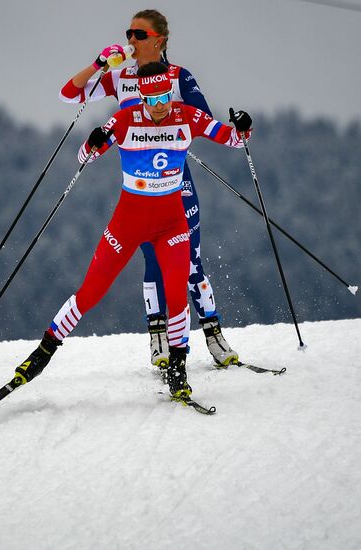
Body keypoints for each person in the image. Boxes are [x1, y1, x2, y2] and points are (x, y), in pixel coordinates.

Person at [13, 62, 252, 401]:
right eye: (152, 98)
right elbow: (85, 157)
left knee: (176, 294)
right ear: (141, 96)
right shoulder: (125, 119)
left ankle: (177, 369)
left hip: (172, 224)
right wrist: (92, 143)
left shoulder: (187, 116)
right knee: (90, 293)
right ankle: (42, 353)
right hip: (127, 224)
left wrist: (244, 127)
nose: (159, 106)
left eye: (165, 97)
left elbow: (232, 139)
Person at [59, 9, 240, 370]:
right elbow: (69, 94)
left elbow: (201, 119)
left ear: (158, 39)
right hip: (137, 184)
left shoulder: (177, 75)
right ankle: (159, 341)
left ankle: (214, 334)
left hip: (176, 179)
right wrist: (98, 64)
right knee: (151, 260)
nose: (131, 41)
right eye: (128, 33)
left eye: (139, 35)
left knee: (189, 260)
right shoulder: (121, 75)